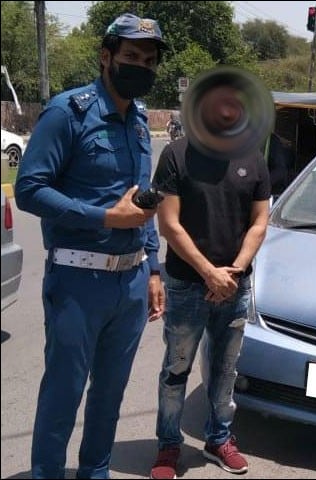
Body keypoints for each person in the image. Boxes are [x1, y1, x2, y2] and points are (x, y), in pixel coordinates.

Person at [14, 13, 168, 479]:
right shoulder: (69, 112)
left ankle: (94, 472)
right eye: (131, 57)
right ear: (106, 57)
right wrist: (103, 216)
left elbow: (141, 201)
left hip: (132, 281)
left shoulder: (140, 123)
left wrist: (155, 267)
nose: (140, 66)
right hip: (79, 280)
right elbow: (29, 189)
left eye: (149, 60)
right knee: (63, 394)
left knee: (109, 397)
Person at [149, 82, 271, 479]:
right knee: (176, 368)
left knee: (225, 369)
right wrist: (209, 273)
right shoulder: (175, 155)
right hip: (188, 285)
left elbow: (259, 222)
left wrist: (233, 271)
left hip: (235, 286)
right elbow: (169, 224)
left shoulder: (253, 159)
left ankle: (219, 439)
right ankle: (169, 445)